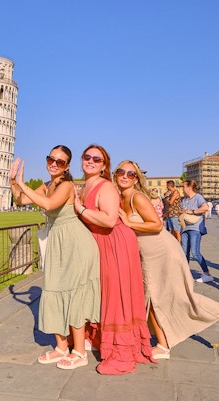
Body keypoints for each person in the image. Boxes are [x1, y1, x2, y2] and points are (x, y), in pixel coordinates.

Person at [115, 160, 219, 360]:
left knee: (178, 296)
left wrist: (128, 222)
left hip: (162, 252)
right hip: (147, 256)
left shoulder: (136, 197)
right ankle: (163, 345)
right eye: (121, 171)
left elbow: (156, 225)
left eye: (130, 174)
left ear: (136, 178)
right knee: (152, 298)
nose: (124, 176)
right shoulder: (120, 197)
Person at [10, 145, 100, 370]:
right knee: (53, 289)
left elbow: (48, 204)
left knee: (73, 293)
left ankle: (79, 352)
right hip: (58, 242)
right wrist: (13, 182)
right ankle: (61, 346)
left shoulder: (67, 185)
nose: (54, 164)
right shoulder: (48, 185)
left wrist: (22, 183)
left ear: (67, 167)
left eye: (60, 162)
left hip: (76, 243)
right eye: (51, 159)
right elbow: (21, 201)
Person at [73, 145, 154, 375]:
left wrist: (79, 209)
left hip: (114, 243)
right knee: (105, 293)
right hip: (103, 243)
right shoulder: (85, 186)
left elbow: (108, 220)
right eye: (87, 157)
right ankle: (101, 339)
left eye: (96, 159)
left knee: (115, 296)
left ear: (104, 165)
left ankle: (120, 351)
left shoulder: (106, 186)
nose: (91, 161)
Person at [180, 179, 212, 283]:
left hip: (195, 228)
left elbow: (205, 207)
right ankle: (185, 273)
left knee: (195, 252)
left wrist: (192, 211)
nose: (182, 189)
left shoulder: (198, 197)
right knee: (184, 253)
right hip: (185, 228)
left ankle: (207, 274)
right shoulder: (184, 199)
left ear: (189, 188)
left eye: (184, 186)